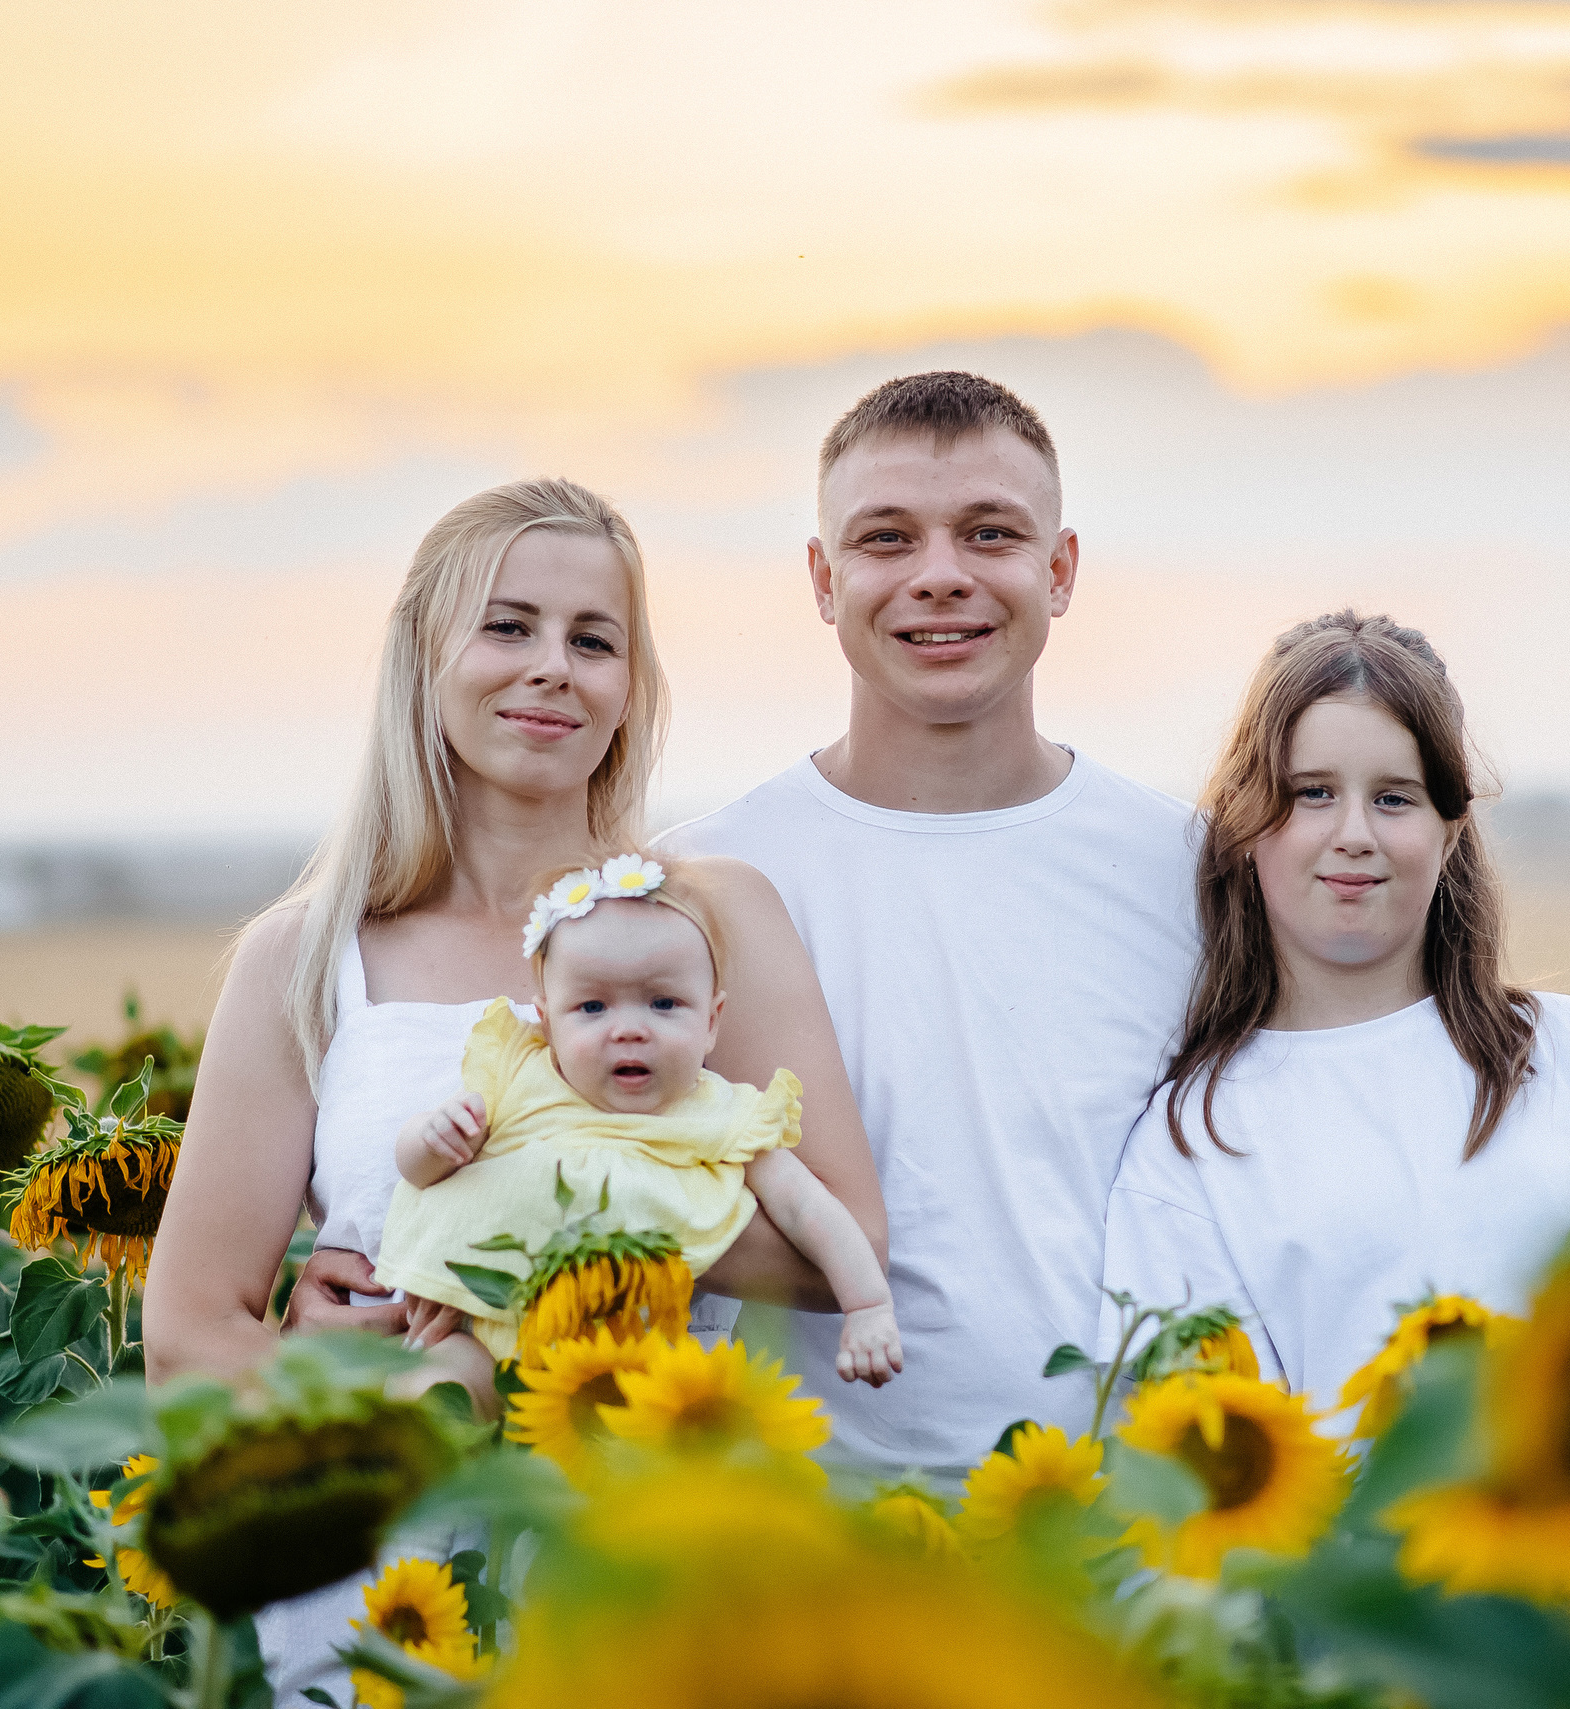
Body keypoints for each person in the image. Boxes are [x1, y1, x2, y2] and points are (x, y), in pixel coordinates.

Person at [141, 478, 885, 1705]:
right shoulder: (310, 954)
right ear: (423, 661)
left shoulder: (712, 916)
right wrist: (315, 1366)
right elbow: (187, 1330)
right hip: (381, 1579)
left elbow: (844, 1235)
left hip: (643, 1527)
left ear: (628, 688)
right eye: (509, 626)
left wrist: (561, 1249)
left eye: (593, 640)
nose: (552, 667)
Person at [663, 371, 1202, 1474]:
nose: (940, 576)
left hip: (1126, 1538)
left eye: (990, 533)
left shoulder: (1195, 874)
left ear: (1059, 571)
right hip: (794, 1530)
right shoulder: (692, 884)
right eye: (886, 538)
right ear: (823, 578)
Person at [1099, 612, 1570, 1411]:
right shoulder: (1192, 1143)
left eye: (1395, 797)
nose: (1354, 834)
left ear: (1451, 826)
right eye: (1311, 793)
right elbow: (1191, 1465)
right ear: (1249, 822)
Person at [376, 853, 902, 1390]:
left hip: (628, 1349)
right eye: (592, 1008)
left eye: (663, 1003)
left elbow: (804, 1206)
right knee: (436, 1389)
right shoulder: (521, 1077)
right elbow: (418, 1172)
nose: (629, 1029)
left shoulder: (721, 1115)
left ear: (712, 1021)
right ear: (547, 1020)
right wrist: (432, 1139)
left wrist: (867, 1305)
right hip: (482, 1327)